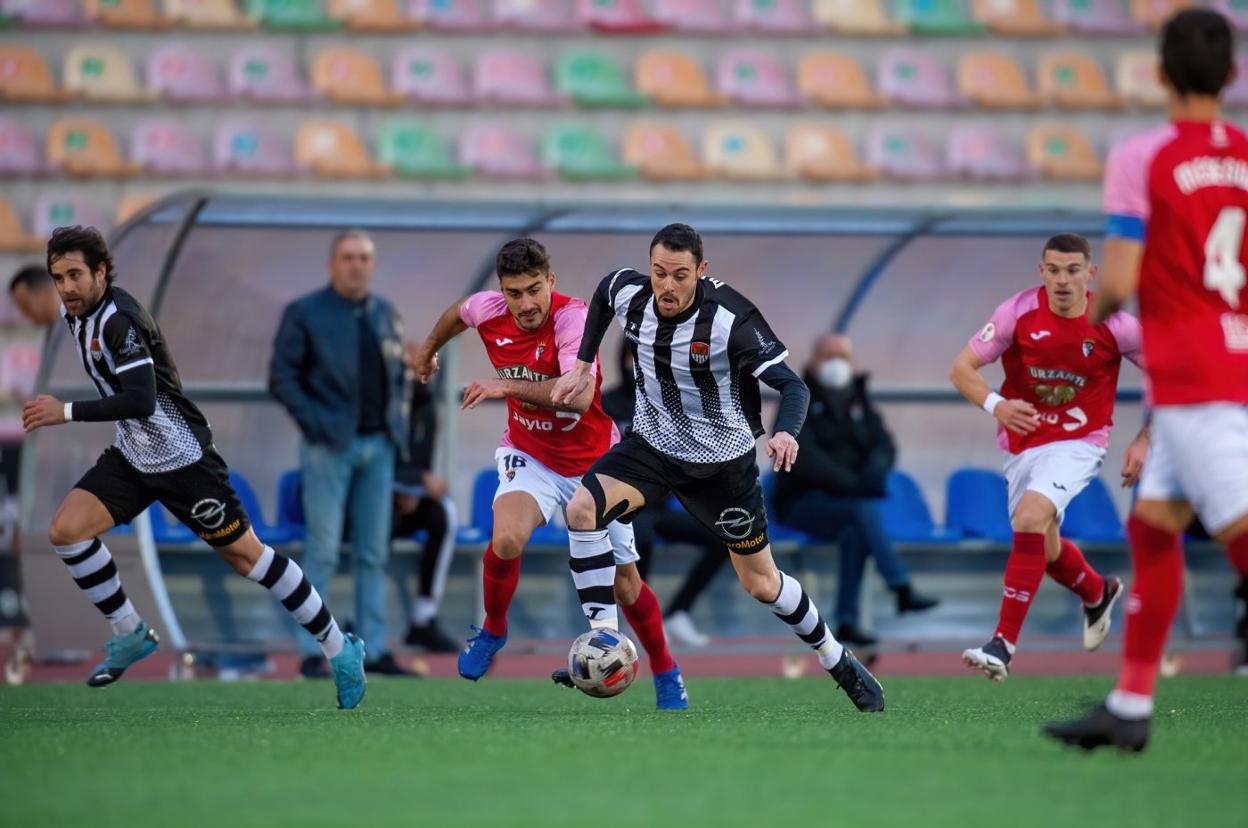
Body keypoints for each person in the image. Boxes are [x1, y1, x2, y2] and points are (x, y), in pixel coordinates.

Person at [21, 226, 365, 707]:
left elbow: (141, 400)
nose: (67, 287)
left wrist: (67, 411)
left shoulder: (119, 322)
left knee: (250, 559)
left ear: (101, 272)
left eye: (75, 275)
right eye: (59, 278)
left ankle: (340, 649)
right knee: (67, 530)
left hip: (183, 460)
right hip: (134, 455)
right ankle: (130, 633)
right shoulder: (75, 312)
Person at [552, 223, 885, 712]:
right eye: (659, 272)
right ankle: (604, 643)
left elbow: (794, 386)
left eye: (679, 275)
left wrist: (787, 431)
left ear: (701, 271)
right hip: (654, 445)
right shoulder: (630, 292)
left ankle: (837, 659)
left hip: (721, 465)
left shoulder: (732, 319)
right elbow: (603, 295)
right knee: (583, 509)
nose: (666, 285)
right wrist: (582, 364)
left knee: (762, 584)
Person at [1044, 9, 1248, 751]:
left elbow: (1120, 280)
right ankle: (1130, 709)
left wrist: (1091, 317)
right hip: (1227, 359)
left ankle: (1130, 707)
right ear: (1232, 75)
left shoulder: (1143, 158)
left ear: (1159, 71)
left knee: (1241, 541)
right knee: (1152, 530)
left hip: (1197, 375)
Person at [410, 238, 688, 710]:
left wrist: (502, 384)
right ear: (502, 290)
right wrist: (428, 351)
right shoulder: (488, 309)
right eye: (514, 293)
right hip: (530, 453)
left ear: (550, 282)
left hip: (596, 464)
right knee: (506, 539)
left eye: (534, 290)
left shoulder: (573, 318)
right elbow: (458, 312)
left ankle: (666, 671)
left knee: (626, 585)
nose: (525, 304)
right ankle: (494, 628)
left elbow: (577, 398)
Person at [950, 233, 1148, 682]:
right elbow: (960, 369)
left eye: (1073, 270)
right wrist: (997, 405)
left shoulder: (1117, 324)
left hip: (1082, 440)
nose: (1063, 280)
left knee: (1029, 517)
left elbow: (1169, 376)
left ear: (1090, 274)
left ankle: (1002, 643)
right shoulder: (1016, 313)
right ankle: (1097, 591)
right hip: (1023, 443)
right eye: (1054, 270)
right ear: (1042, 271)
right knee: (1046, 544)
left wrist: (1145, 439)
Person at [269, 229, 412, 678]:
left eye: (364, 257)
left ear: (372, 265)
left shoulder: (386, 313)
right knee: (324, 549)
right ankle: (314, 649)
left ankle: (374, 646)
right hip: (328, 446)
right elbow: (281, 376)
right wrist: (317, 425)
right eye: (348, 257)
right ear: (332, 264)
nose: (356, 265)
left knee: (374, 553)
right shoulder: (305, 312)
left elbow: (400, 381)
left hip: (379, 445)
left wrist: (398, 433)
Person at [773, 333, 939, 647]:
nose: (836, 364)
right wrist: (853, 483)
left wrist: (874, 471)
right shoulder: (798, 398)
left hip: (848, 504)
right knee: (863, 512)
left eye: (843, 356)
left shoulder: (859, 399)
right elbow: (805, 458)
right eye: (828, 356)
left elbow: (884, 446)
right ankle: (900, 586)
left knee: (857, 530)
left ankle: (847, 620)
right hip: (801, 502)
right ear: (812, 361)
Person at [601, 341, 725, 647]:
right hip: (620, 507)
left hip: (658, 504)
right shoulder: (606, 405)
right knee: (639, 538)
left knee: (722, 536)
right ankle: (639, 618)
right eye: (635, 358)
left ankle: (679, 612)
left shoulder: (668, 407)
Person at [391, 378, 458, 653]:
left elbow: (422, 460)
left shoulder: (425, 405)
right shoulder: (379, 394)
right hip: (364, 498)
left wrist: (415, 487)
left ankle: (423, 618)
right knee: (372, 525)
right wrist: (404, 483)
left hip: (405, 495)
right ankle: (358, 627)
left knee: (444, 512)